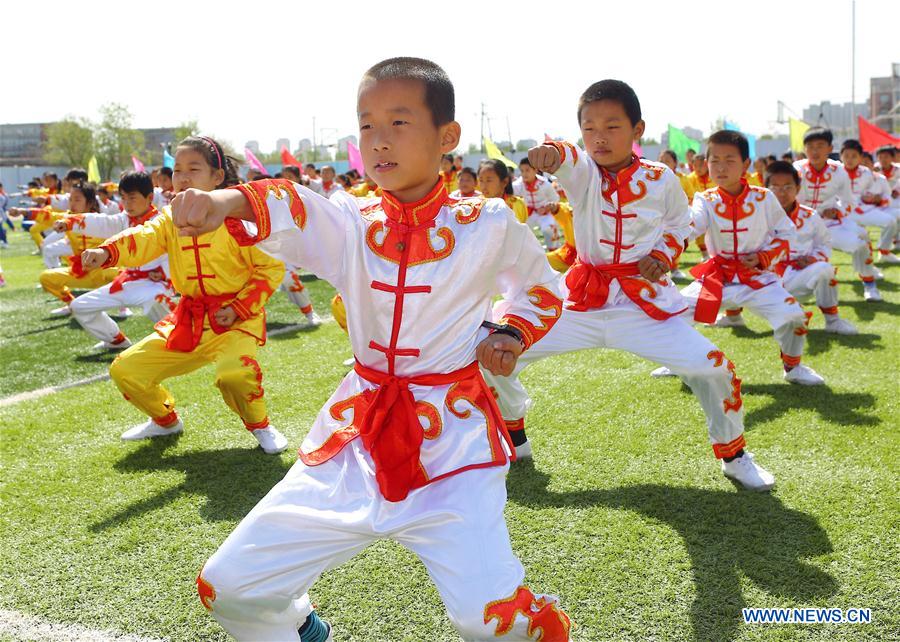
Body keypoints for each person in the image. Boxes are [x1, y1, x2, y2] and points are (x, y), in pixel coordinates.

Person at [175, 57, 571, 641]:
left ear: (448, 137)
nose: (378, 141)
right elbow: (295, 202)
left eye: (398, 123)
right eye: (366, 126)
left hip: (452, 448)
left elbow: (539, 286)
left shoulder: (488, 222)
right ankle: (300, 629)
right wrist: (227, 203)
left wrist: (511, 332)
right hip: (352, 437)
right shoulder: (352, 218)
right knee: (229, 587)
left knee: (493, 625)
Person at [484, 81, 775, 490]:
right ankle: (514, 433)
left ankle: (734, 454)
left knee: (714, 368)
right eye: (589, 128)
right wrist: (554, 152)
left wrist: (662, 256)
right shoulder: (584, 173)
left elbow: (679, 225)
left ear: (638, 130)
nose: (599, 137)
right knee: (493, 348)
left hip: (643, 305)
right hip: (579, 301)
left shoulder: (663, 179)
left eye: (612, 126)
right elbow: (568, 159)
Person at [79, 136, 289, 455]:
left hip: (234, 322)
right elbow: (143, 237)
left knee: (234, 373)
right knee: (125, 369)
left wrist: (238, 308)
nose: (183, 177)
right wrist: (107, 252)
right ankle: (165, 421)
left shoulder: (239, 218)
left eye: (194, 168)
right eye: (177, 170)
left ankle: (260, 425)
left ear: (217, 177)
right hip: (188, 319)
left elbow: (270, 269)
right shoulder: (169, 216)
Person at [678, 130, 824, 385]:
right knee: (673, 309)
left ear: (745, 164)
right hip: (717, 277)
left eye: (729, 160)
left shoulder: (764, 197)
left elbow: (787, 233)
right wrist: (671, 236)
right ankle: (675, 360)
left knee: (793, 315)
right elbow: (692, 226)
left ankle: (793, 367)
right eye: (714, 161)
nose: (721, 168)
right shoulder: (705, 199)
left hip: (757, 278)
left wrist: (763, 257)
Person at [719, 161, 857, 335]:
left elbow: (824, 243)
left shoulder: (810, 216)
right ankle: (733, 316)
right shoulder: (753, 217)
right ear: (765, 190)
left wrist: (813, 259)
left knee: (825, 269)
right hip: (764, 282)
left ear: (798, 189)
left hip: (799, 277)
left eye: (787, 187)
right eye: (775, 187)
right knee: (729, 263)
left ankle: (833, 321)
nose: (781, 193)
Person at [66, 171, 175, 350]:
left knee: (156, 301)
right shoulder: (123, 219)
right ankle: (115, 339)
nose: (126, 203)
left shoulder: (161, 221)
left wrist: (165, 273)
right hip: (127, 280)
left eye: (132, 198)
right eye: (123, 198)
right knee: (79, 305)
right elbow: (102, 222)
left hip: (155, 283)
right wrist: (71, 222)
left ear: (149, 198)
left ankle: (177, 336)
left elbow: (174, 252)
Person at [794, 128, 882, 301]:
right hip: (799, 226)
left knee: (860, 244)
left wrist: (837, 211)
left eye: (820, 146)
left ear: (830, 148)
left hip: (828, 225)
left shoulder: (838, 171)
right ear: (804, 149)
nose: (815, 151)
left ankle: (870, 284)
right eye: (810, 146)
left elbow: (849, 202)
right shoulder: (797, 169)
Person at [840, 139, 899, 263]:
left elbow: (874, 195)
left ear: (860, 158)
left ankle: (884, 253)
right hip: (842, 213)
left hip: (864, 210)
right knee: (861, 236)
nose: (850, 159)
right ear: (841, 156)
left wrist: (875, 199)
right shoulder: (835, 172)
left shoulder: (866, 173)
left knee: (890, 221)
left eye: (854, 156)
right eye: (846, 156)